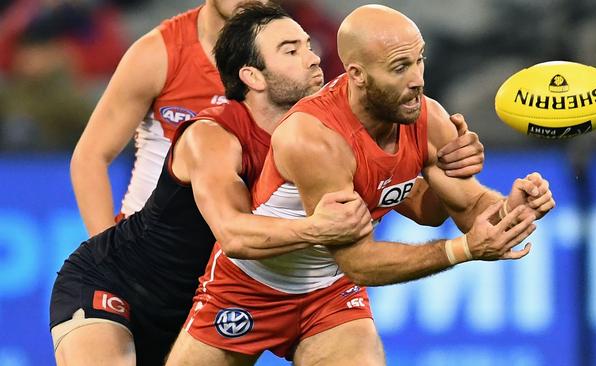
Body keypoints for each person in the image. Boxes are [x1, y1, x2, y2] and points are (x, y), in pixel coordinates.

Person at [50, 3, 487, 365]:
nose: (314, 58)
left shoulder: (324, 133)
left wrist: (444, 164)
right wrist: (315, 229)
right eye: (290, 51)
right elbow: (234, 234)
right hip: (120, 282)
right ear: (253, 76)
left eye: (308, 46)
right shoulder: (213, 134)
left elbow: (423, 211)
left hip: (224, 290)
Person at [168, 4, 555, 366]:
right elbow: (359, 262)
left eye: (419, 60)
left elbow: (461, 207)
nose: (417, 80)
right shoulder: (314, 137)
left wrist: (509, 209)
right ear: (356, 74)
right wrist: (464, 250)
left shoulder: (427, 116)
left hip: (329, 294)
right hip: (249, 287)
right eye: (399, 67)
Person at [70, 0, 268, 236]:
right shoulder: (157, 54)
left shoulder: (291, 57)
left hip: (237, 256)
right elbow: (90, 157)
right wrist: (104, 254)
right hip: (148, 251)